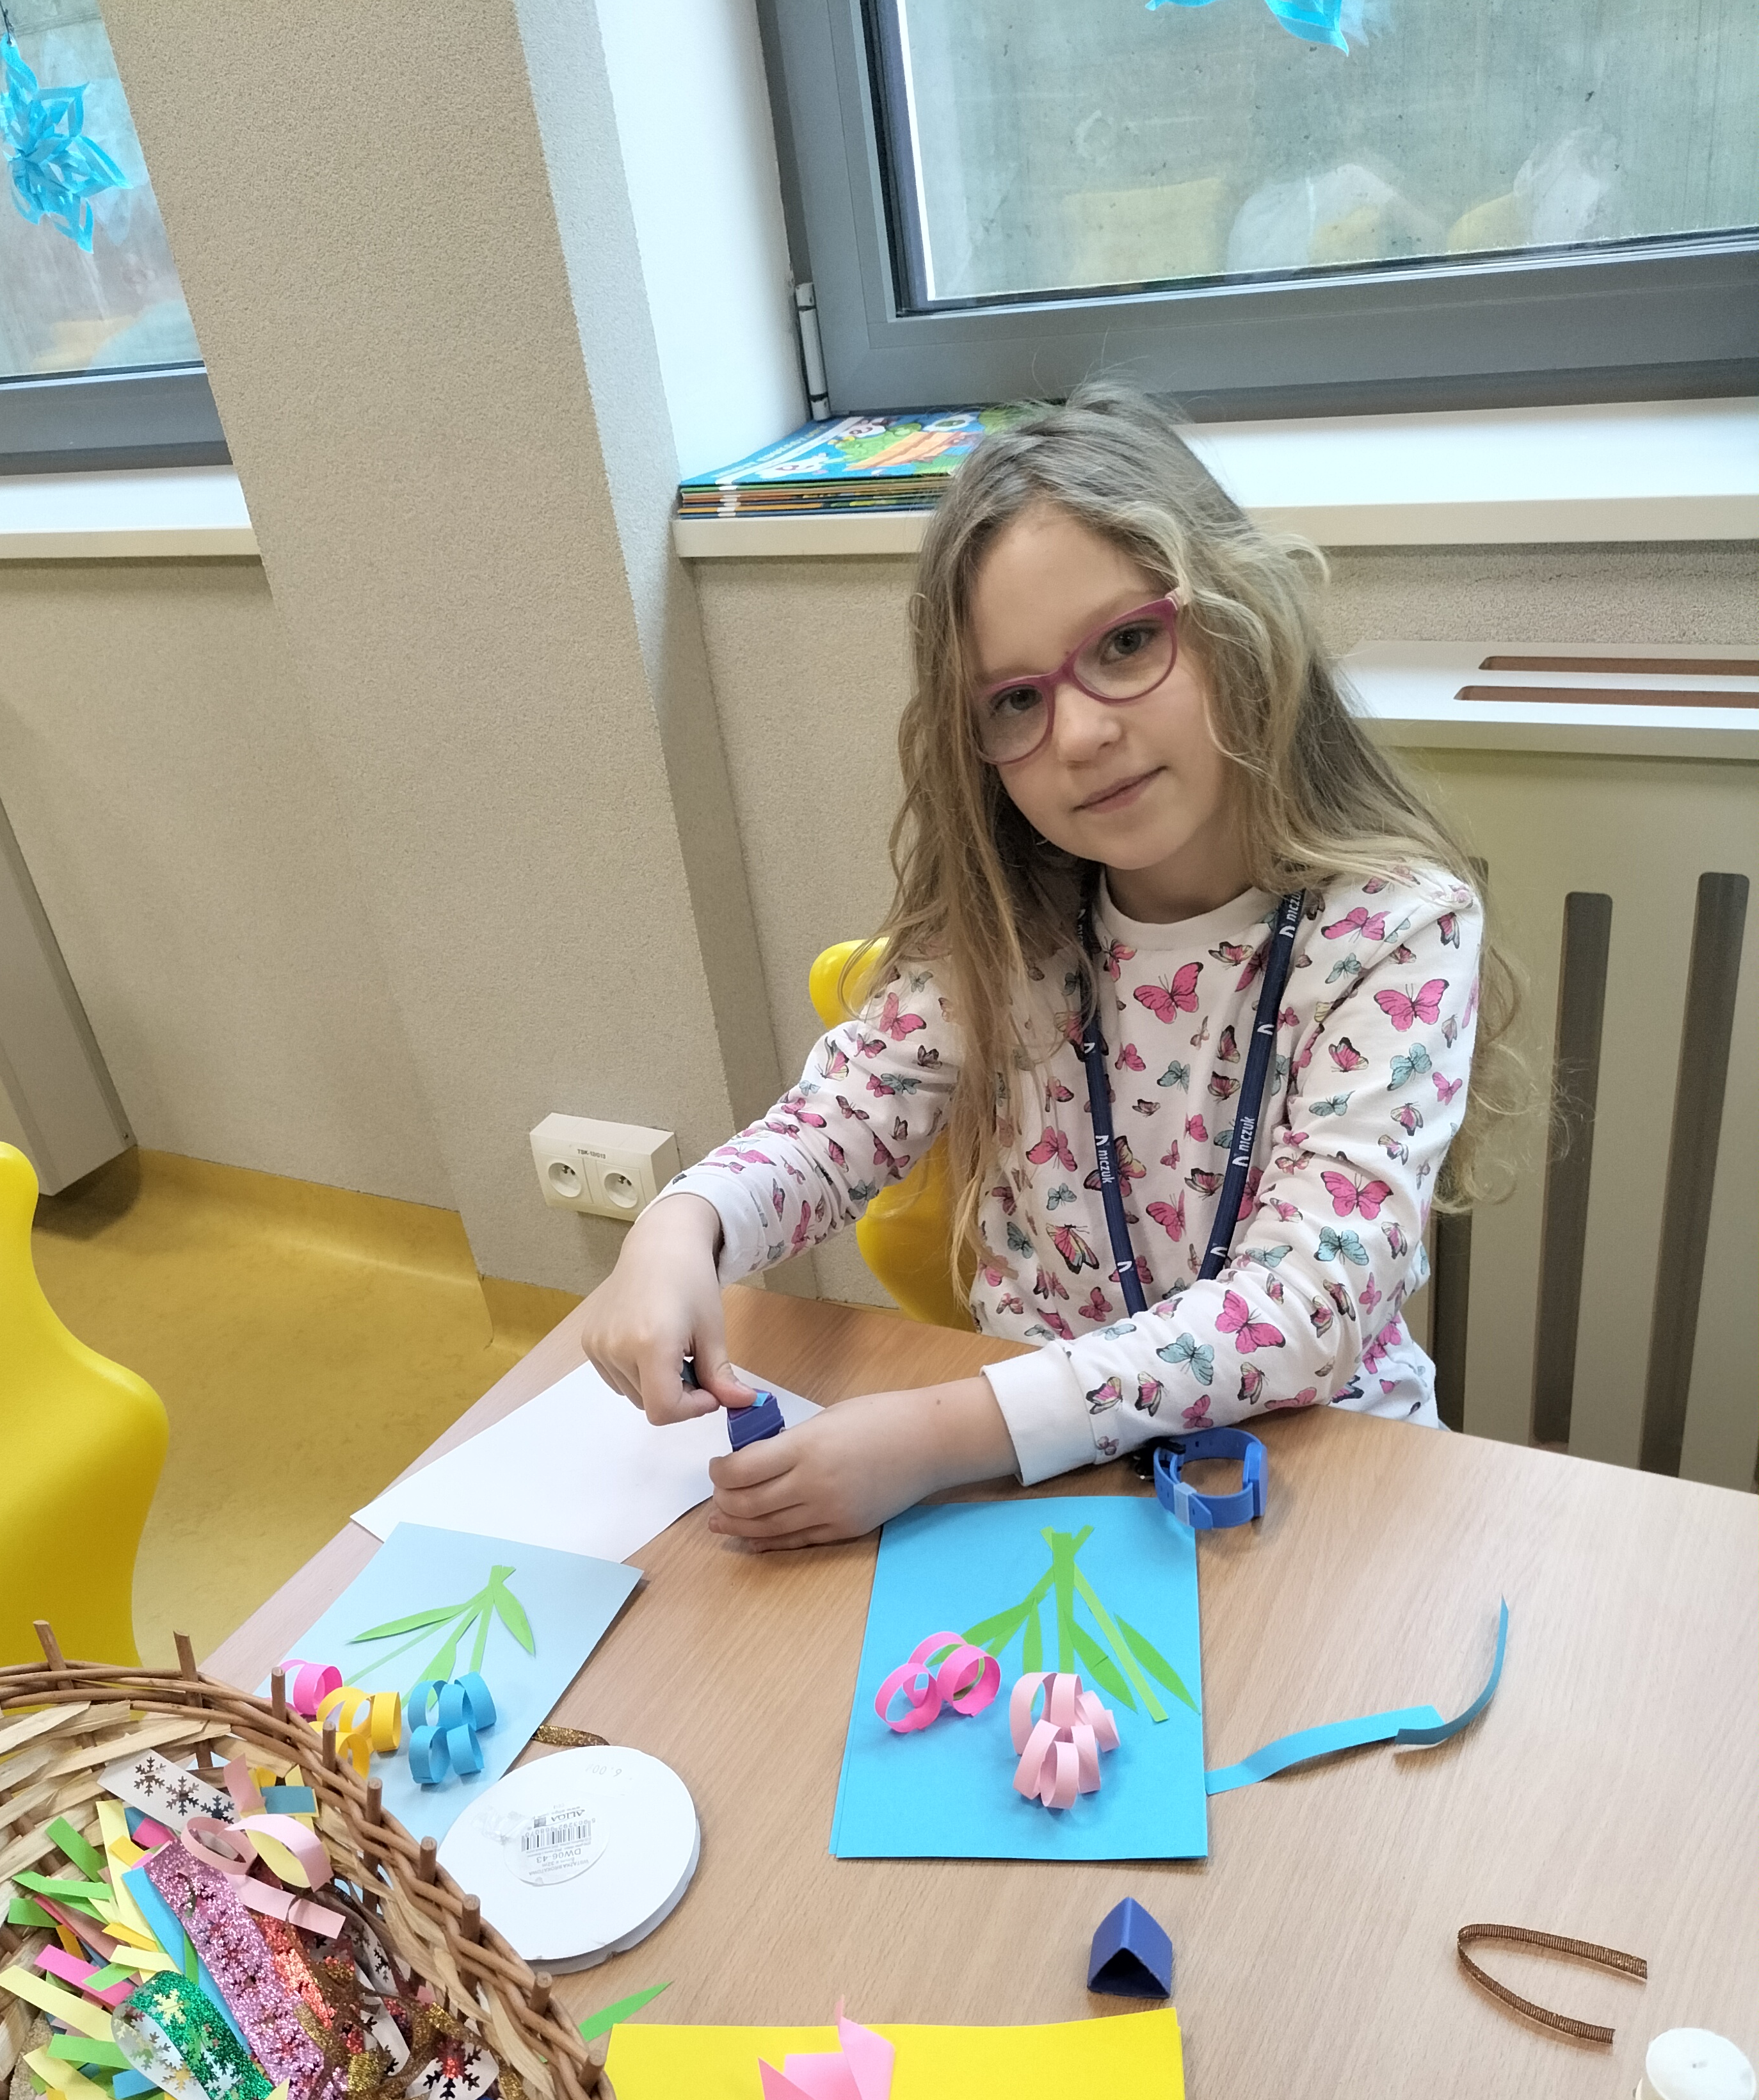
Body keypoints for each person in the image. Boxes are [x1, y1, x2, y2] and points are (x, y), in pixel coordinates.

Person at [581, 384, 1517, 1548]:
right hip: (1046, 1491)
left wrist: (938, 1436)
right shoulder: (1008, 927)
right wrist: (683, 1225)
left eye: (1127, 644)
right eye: (1017, 700)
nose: (1079, 734)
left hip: (1317, 1479)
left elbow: (1309, 1303)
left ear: (1239, 619)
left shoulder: (1396, 931)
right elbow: (838, 1120)